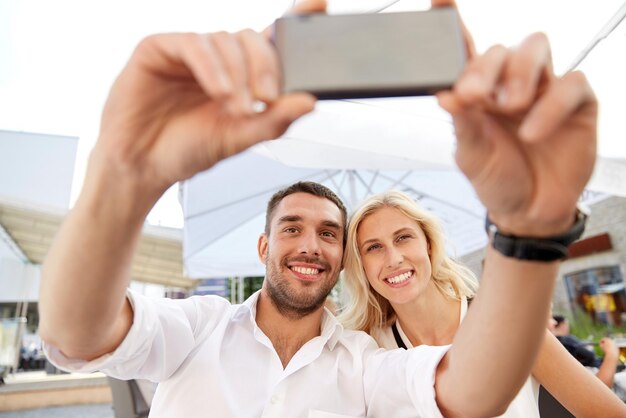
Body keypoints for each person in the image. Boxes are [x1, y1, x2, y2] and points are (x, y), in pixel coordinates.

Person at [37, 0, 600, 416]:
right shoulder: (198, 326)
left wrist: (525, 235)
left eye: (331, 233)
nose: (311, 244)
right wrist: (124, 176)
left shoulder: (359, 358)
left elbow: (470, 391)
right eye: (292, 228)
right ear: (264, 246)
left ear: (339, 261)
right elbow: (79, 334)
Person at [339, 190, 626, 417]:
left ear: (428, 244)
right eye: (373, 247)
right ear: (360, 264)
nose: (393, 258)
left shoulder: (512, 325)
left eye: (403, 238)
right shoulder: (367, 351)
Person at [550, 314, 623, 388]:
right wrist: (612, 353)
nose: (554, 322)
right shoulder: (564, 340)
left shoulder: (560, 345)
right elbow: (600, 389)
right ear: (562, 325)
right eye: (549, 317)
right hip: (600, 373)